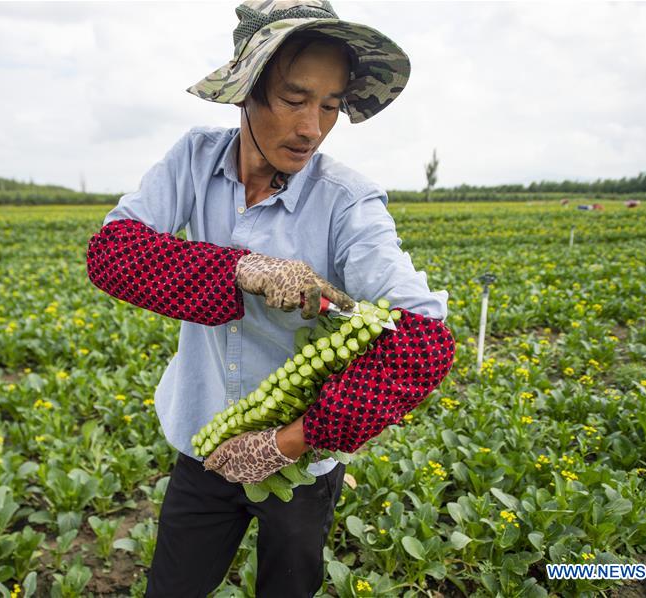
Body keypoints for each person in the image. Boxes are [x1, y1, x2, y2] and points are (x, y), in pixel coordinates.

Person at [86, 2, 455, 596]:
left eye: (331, 105)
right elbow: (113, 251)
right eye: (293, 98)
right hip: (202, 437)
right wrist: (241, 271)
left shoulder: (346, 202)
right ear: (245, 94)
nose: (312, 126)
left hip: (301, 462)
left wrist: (288, 441)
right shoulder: (195, 160)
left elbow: (424, 339)